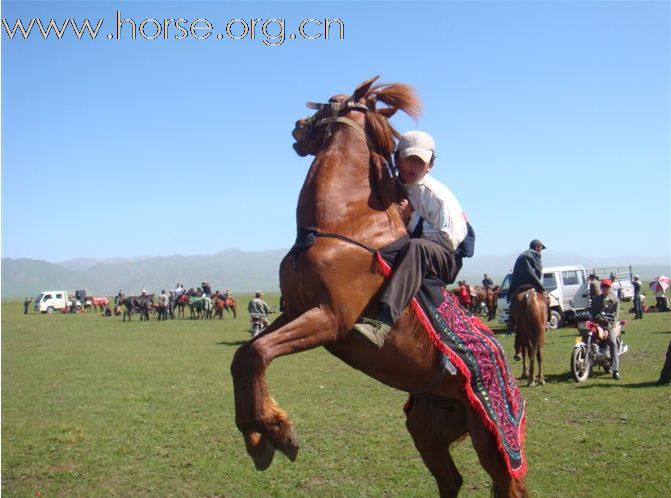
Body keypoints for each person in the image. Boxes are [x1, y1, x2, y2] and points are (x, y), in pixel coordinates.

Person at [353, 130, 472, 337]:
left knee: (416, 248)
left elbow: (449, 240)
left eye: (421, 162)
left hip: (445, 258)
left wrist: (412, 218)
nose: (414, 166)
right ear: (397, 159)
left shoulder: (435, 194)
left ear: (430, 166)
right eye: (409, 159)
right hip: (413, 248)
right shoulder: (391, 186)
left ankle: (383, 323)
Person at [590, 279, 621, 380]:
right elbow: (592, 313)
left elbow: (615, 318)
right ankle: (588, 365)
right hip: (596, 325)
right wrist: (592, 323)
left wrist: (607, 329)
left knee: (613, 344)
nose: (605, 288)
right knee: (588, 340)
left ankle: (615, 370)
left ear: (610, 288)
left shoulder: (615, 300)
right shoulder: (595, 300)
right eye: (603, 286)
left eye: (607, 287)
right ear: (601, 287)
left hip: (609, 326)